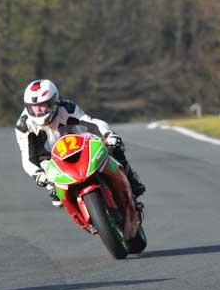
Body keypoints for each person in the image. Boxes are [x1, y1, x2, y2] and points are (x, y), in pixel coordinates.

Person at [14, 79, 146, 206]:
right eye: (33, 107)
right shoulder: (23, 126)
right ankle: (59, 192)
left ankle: (130, 178)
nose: (38, 111)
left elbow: (91, 122)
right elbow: (27, 158)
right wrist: (38, 175)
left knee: (114, 147)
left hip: (78, 145)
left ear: (53, 102)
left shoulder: (67, 108)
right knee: (55, 192)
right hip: (50, 159)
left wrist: (108, 135)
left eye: (42, 106)